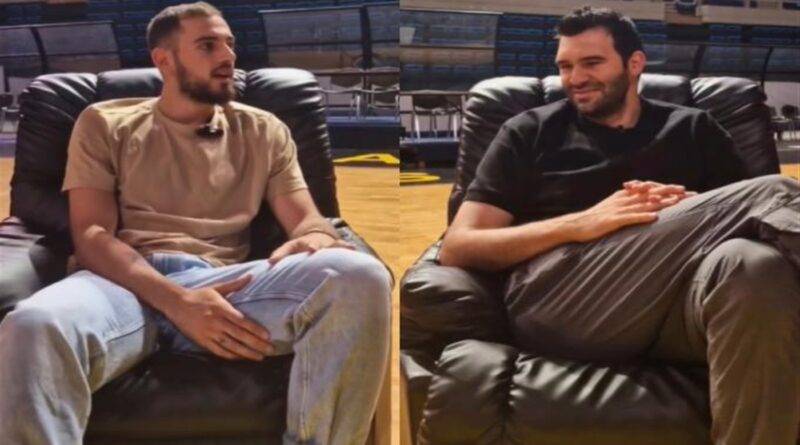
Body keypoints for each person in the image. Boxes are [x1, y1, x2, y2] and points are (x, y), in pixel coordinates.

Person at [0, 3, 391, 445]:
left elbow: (307, 219)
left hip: (229, 288)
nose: (228, 56)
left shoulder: (265, 130)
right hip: (123, 286)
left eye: (229, 44)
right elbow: (91, 236)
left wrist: (315, 236)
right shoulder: (105, 122)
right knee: (32, 324)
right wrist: (179, 303)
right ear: (163, 60)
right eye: (207, 45)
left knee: (360, 276)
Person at [439, 6, 800, 445]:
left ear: (635, 64)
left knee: (754, 266)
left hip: (676, 308)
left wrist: (691, 213)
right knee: (778, 193)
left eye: (591, 63)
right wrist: (581, 223)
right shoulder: (528, 131)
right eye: (565, 66)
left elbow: (744, 221)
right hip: (562, 302)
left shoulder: (694, 128)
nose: (575, 78)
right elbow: (458, 246)